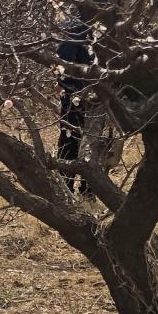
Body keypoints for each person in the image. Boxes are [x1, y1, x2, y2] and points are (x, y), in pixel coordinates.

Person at [57, 12, 93, 193]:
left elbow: (61, 67)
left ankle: (67, 187)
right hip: (91, 96)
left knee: (70, 142)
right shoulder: (104, 23)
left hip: (77, 96)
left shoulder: (74, 27)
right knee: (92, 142)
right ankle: (87, 189)